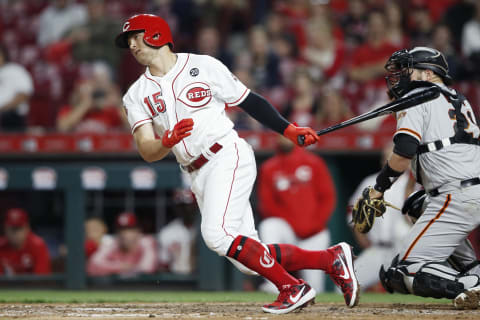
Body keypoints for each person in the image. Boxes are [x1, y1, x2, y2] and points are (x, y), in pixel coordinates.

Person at [115, 14, 359, 314]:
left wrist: (289, 129)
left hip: (225, 154)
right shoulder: (135, 94)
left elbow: (249, 101)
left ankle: (292, 287)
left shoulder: (203, 65)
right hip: (195, 171)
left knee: (216, 235)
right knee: (249, 261)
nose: (131, 44)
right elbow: (146, 150)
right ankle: (329, 259)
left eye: (135, 37)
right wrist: (165, 142)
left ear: (154, 35)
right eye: (128, 41)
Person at [355, 46, 480, 309]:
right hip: (465, 190)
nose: (401, 76)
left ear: (426, 73)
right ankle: (474, 273)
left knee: (405, 271)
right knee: (416, 204)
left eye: (407, 69)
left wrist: (379, 189)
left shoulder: (418, 95)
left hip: (455, 195)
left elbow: (404, 151)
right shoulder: (457, 98)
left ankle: (470, 285)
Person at [257, 135, 336, 293]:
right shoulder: (269, 167)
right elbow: (267, 205)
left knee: (315, 289)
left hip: (314, 234)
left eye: (287, 136)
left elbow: (327, 197)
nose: (284, 139)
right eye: (281, 136)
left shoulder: (314, 162)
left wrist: (314, 225)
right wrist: (294, 224)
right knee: (269, 226)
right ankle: (273, 281)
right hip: (289, 232)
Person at [347, 143, 413, 291]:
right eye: (386, 159)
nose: (389, 162)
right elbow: (356, 216)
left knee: (415, 288)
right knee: (347, 284)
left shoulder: (412, 184)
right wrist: (364, 242)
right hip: (378, 248)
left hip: (404, 252)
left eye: (393, 158)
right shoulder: (370, 183)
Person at [87, 212, 157, 276]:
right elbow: (93, 265)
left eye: (129, 230)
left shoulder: (146, 242)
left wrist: (126, 268)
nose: (124, 234)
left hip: (145, 287)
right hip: (117, 287)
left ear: (138, 231)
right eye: (121, 230)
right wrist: (121, 266)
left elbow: (147, 269)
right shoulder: (112, 244)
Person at [157, 189, 197, 274]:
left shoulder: (207, 229)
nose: (185, 210)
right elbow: (164, 264)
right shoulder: (168, 232)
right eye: (181, 206)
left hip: (203, 277)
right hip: (177, 279)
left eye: (188, 206)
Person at [0, 208, 51, 275]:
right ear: (5, 229)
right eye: (12, 229)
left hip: (32, 285)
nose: (16, 233)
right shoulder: (1, 246)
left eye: (19, 228)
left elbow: (42, 278)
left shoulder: (37, 245)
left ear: (27, 228)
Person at [0, 45, 34, 131]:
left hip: (11, 117)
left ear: (4, 55)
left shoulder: (15, 70)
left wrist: (3, 108)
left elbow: (24, 94)